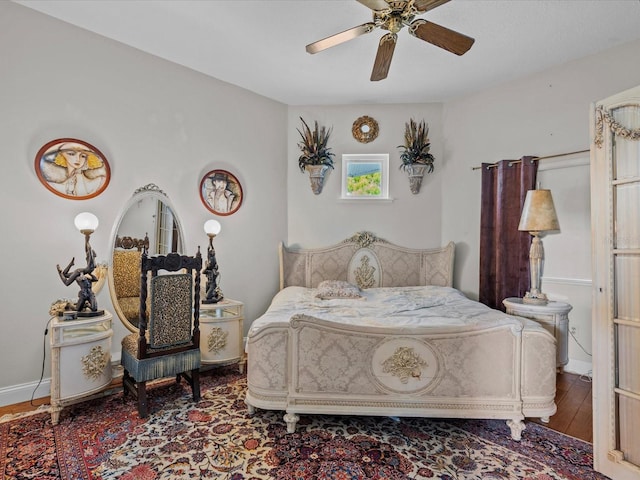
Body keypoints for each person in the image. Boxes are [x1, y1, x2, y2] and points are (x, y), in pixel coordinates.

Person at [40, 142, 107, 197]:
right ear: (62, 155)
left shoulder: (94, 181)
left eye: (83, 156)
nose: (78, 159)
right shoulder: (52, 180)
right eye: (71, 154)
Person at [56, 236, 100, 313]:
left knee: (65, 275)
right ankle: (60, 271)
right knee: (66, 282)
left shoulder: (90, 265)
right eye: (93, 256)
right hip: (80, 275)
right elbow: (88, 249)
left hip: (87, 288)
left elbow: (95, 279)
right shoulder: (90, 263)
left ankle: (70, 265)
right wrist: (87, 241)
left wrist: (86, 241)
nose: (94, 256)